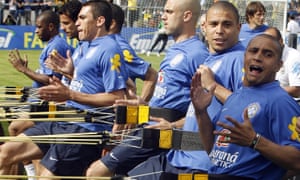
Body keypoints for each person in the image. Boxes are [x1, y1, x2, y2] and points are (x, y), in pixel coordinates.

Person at [0, 1, 128, 177]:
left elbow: (116, 97)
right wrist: (70, 73)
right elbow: (88, 84)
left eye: (82, 18)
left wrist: (70, 94)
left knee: (45, 176)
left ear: (99, 21)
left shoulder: (109, 49)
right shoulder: (84, 46)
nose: (77, 23)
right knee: (5, 153)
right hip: (64, 120)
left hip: (85, 128)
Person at [86, 0, 209, 178]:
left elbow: (204, 109)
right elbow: (168, 99)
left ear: (187, 16)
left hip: (160, 133)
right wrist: (143, 105)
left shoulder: (197, 54)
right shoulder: (176, 49)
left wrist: (173, 126)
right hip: (150, 126)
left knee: (96, 172)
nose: (163, 16)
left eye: (169, 11)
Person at [127, 1, 245, 179]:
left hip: (201, 164)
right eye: (214, 24)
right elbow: (196, 112)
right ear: (204, 27)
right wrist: (173, 126)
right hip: (178, 156)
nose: (219, 30)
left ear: (238, 27)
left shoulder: (239, 60)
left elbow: (248, 110)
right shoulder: (212, 58)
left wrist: (214, 86)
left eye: (226, 24)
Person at [191, 34, 300, 179]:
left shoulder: (281, 102)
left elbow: (297, 161)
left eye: (268, 54)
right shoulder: (235, 97)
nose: (258, 57)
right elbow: (213, 149)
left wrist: (255, 141)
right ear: (245, 57)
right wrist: (201, 113)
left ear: (278, 65)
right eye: (253, 51)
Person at [108, 3, 157, 102]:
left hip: (108, 114)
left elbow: (151, 74)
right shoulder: (94, 42)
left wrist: (140, 104)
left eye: (100, 18)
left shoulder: (120, 48)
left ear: (112, 24)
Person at [264, 27, 300, 101]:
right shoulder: (266, 55)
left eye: (272, 41)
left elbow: (297, 90)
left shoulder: (294, 57)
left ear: (281, 41)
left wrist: (270, 92)